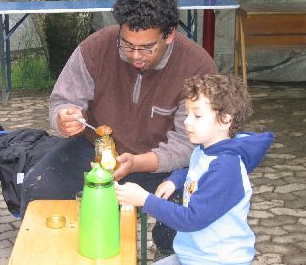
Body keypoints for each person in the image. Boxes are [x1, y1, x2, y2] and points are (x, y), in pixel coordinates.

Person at [20, 0, 217, 217]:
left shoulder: (198, 68)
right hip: (95, 153)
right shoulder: (94, 49)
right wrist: (63, 118)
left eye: (146, 48)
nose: (135, 56)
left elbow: (187, 145)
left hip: (163, 164)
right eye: (127, 44)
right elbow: (62, 101)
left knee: (185, 211)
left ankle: (166, 253)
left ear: (170, 34)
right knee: (38, 187)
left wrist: (137, 163)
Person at [115, 74, 274, 265]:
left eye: (197, 115)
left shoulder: (225, 168)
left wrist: (144, 199)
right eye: (187, 114)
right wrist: (175, 180)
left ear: (225, 120)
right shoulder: (205, 150)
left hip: (218, 260)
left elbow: (191, 219)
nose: (187, 122)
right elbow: (195, 171)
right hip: (193, 254)